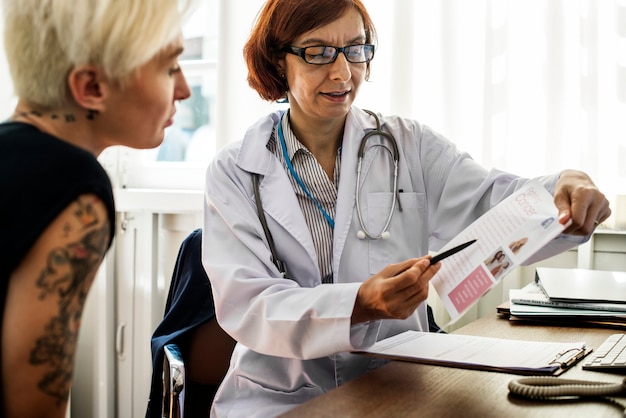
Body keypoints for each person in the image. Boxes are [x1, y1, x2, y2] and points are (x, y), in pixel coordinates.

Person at [201, 0, 611, 416]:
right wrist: (360, 303)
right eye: (318, 52)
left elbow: (492, 200)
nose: (343, 72)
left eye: (356, 49)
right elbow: (250, 305)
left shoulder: (408, 146)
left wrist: (562, 189)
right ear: (277, 60)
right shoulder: (236, 172)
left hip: (392, 386)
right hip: (279, 398)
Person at [0, 0, 194, 416]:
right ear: (91, 87)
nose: (185, 89)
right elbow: (33, 408)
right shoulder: (74, 186)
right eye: (169, 67)